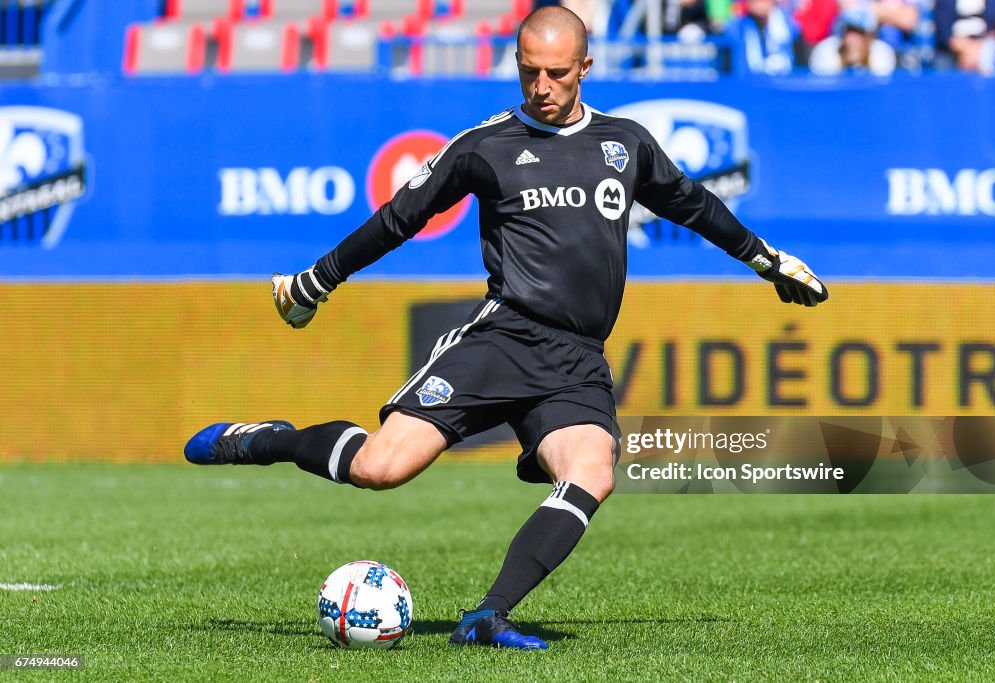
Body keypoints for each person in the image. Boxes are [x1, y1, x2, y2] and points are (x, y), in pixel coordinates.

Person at [185, 5, 828, 650]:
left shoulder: (625, 144)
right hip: (503, 340)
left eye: (556, 74)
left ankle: (488, 617)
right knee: (382, 469)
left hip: (577, 359)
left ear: (585, 68)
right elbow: (397, 219)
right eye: (529, 73)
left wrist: (768, 261)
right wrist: (316, 280)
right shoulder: (484, 147)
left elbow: (695, 206)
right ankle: (265, 440)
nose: (541, 87)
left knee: (592, 470)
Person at [808, 7, 898, 74]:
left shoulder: (882, 55)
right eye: (848, 33)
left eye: (859, 34)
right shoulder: (825, 52)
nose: (852, 40)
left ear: (870, 37)